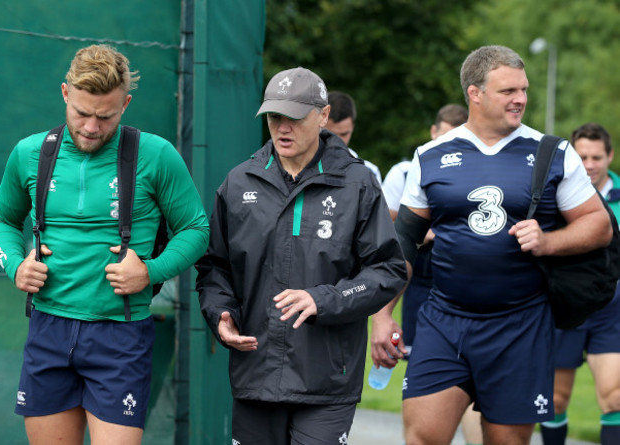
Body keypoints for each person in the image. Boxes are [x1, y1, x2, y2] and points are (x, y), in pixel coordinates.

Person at [371, 45, 612, 445]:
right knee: (423, 437)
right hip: (444, 320)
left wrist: (548, 241)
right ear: (475, 93)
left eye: (524, 89)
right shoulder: (429, 156)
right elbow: (404, 243)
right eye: (508, 91)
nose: (520, 99)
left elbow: (598, 225)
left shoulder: (552, 153)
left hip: (520, 325)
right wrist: (382, 315)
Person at [0, 44, 210, 445]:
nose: (91, 127)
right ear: (65, 93)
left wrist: (150, 271)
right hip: (48, 329)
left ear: (125, 104)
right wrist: (16, 265)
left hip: (120, 336)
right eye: (82, 113)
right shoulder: (31, 153)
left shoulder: (156, 155)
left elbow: (196, 228)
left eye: (105, 116)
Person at [195, 66, 407, 444]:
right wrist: (220, 314)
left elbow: (387, 270)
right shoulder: (239, 181)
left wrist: (323, 299)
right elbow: (215, 267)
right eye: (274, 117)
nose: (282, 128)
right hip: (254, 375)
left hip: (327, 379)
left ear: (323, 115)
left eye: (294, 117)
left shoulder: (358, 184)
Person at [376, 104, 481, 445]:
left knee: (470, 373)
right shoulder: (405, 172)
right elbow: (393, 223)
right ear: (434, 132)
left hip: (464, 282)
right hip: (418, 278)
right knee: (423, 360)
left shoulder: (478, 168)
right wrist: (427, 231)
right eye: (445, 133)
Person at [540, 123, 620, 445]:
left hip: (611, 312)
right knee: (555, 400)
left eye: (596, 157)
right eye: (582, 156)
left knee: (615, 398)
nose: (589, 164)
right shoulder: (554, 192)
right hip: (567, 309)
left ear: (609, 156)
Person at [324, 90, 382, 183]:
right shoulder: (297, 168)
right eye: (331, 134)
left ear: (353, 127)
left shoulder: (369, 172)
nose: (337, 140)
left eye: (344, 134)